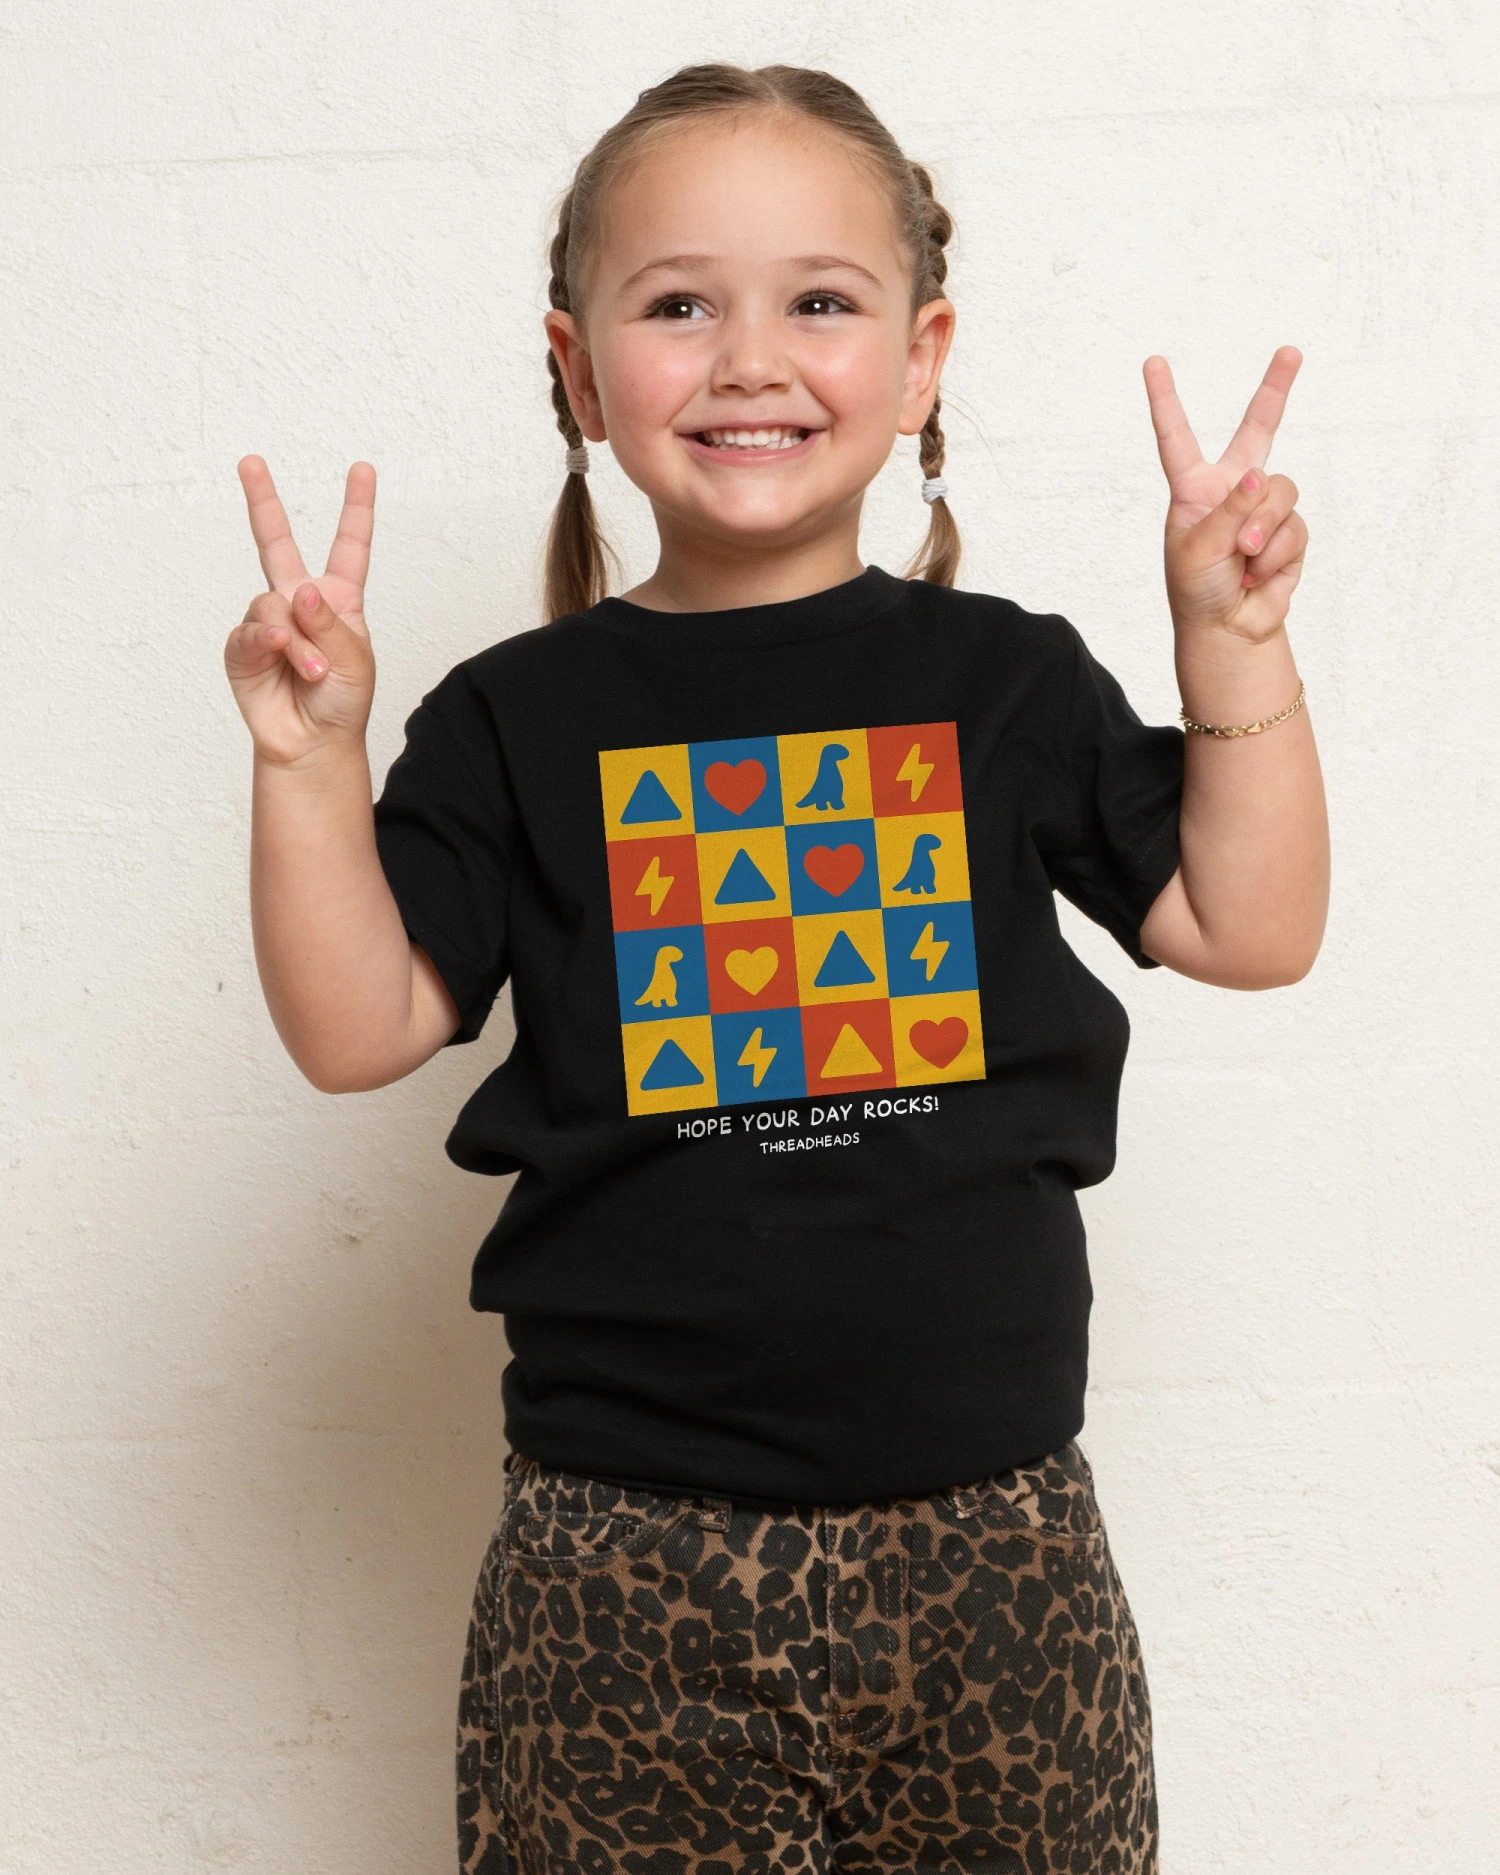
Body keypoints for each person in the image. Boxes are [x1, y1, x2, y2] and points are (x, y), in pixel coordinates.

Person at [224, 61, 1327, 1875]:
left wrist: (1232, 642)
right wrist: (304, 766)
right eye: (679, 306)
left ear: (922, 357)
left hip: (1000, 1548)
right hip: (618, 1564)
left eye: (820, 301)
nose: (750, 360)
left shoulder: (1008, 680)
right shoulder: (512, 717)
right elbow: (357, 1028)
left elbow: (1254, 924)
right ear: (580, 370)